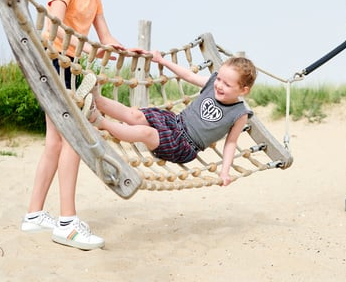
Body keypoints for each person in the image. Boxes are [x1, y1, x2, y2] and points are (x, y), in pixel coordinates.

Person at [20, 0, 132, 251]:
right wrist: (81, 49)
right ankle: (67, 224)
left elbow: (105, 35)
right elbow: (51, 30)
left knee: (55, 143)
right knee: (73, 138)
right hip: (54, 66)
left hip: (72, 67)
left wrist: (117, 48)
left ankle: (35, 214)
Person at [79, 51, 257, 186]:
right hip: (173, 121)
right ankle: (97, 100)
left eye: (227, 84)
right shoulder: (212, 83)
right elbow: (188, 75)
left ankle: (99, 121)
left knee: (146, 133)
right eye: (219, 79)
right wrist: (163, 61)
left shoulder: (239, 113)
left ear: (243, 90)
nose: (219, 85)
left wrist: (224, 172)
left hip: (183, 146)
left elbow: (231, 143)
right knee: (135, 114)